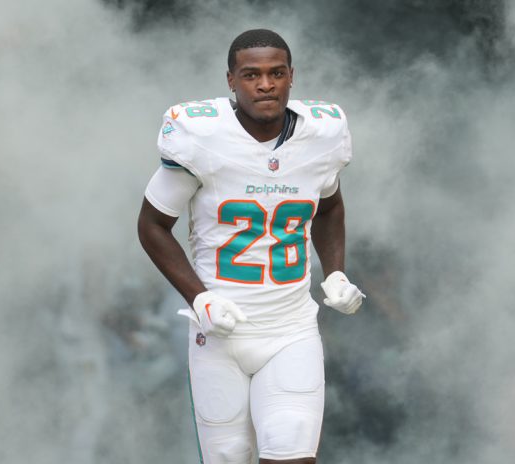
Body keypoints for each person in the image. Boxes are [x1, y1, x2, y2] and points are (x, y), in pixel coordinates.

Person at [137, 29, 364, 464]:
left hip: (290, 328)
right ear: (231, 81)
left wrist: (334, 270)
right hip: (220, 333)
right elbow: (152, 226)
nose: (265, 84)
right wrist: (199, 298)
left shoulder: (322, 135)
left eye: (276, 73)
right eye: (252, 75)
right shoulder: (200, 136)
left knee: (293, 455)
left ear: (291, 77)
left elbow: (330, 205)